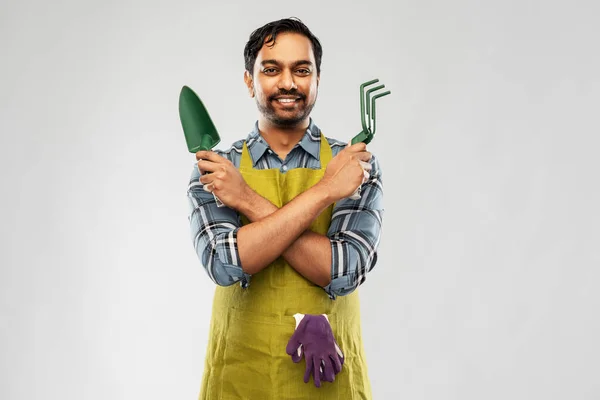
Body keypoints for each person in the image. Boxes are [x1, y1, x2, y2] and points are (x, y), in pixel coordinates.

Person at [186, 17, 384, 399]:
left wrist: (245, 200)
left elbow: (342, 270)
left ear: (317, 80)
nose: (289, 83)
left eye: (302, 70)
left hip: (330, 378)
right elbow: (226, 264)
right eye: (272, 69)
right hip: (242, 376)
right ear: (249, 81)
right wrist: (327, 191)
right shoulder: (216, 168)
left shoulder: (355, 164)